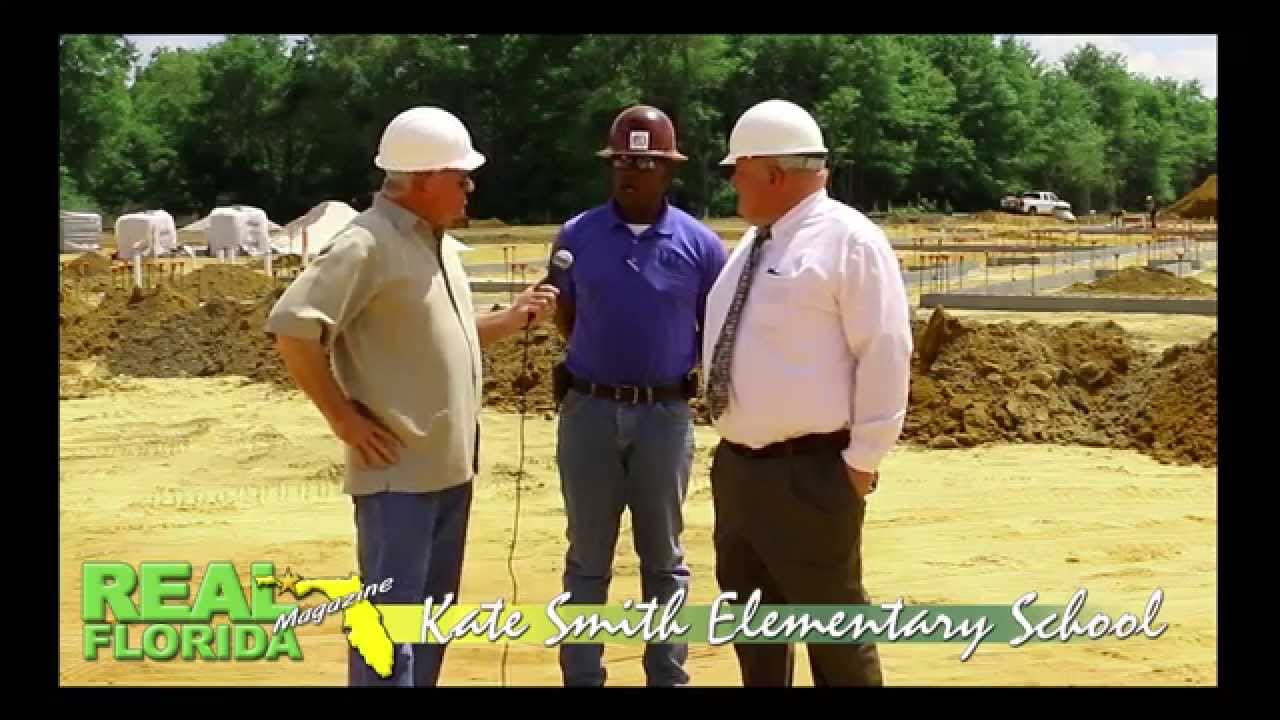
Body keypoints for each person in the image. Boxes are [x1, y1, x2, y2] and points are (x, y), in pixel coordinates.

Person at [265, 106, 558, 687]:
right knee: (389, 633)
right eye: (461, 175)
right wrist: (344, 421)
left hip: (449, 473)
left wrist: (515, 317)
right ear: (423, 179)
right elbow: (293, 328)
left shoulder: (438, 245)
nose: (471, 186)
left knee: (427, 625)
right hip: (398, 480)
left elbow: (446, 330)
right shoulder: (366, 244)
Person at [702, 99, 913, 687]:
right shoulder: (754, 244)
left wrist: (861, 462)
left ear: (774, 173)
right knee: (756, 633)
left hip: (812, 475)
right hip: (741, 474)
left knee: (836, 636)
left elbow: (886, 349)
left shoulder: (848, 240)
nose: (732, 184)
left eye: (737, 171)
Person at [549, 105, 728, 687]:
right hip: (589, 413)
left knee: (664, 560)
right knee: (586, 558)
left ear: (668, 170)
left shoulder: (700, 246)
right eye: (622, 161)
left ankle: (667, 676)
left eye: (646, 163)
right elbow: (564, 312)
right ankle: (582, 676)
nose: (631, 172)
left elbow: (715, 327)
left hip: (665, 417)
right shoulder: (577, 235)